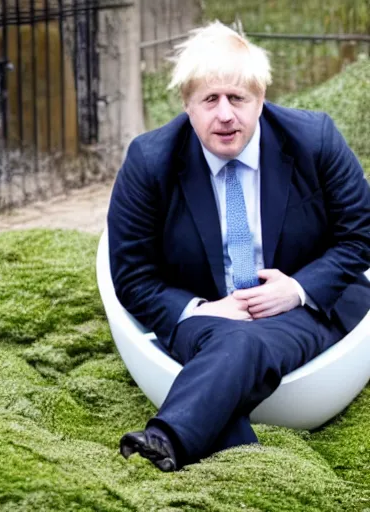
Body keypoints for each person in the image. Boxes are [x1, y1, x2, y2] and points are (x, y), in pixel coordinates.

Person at [107, 21, 370, 472]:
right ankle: (236, 459)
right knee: (235, 337)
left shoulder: (315, 140)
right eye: (210, 99)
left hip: (304, 311)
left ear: (260, 99)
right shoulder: (150, 161)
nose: (225, 114)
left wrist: (298, 289)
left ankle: (166, 436)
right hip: (205, 319)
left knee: (244, 341)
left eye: (237, 98)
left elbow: (361, 235)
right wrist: (199, 309)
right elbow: (130, 273)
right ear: (188, 105)